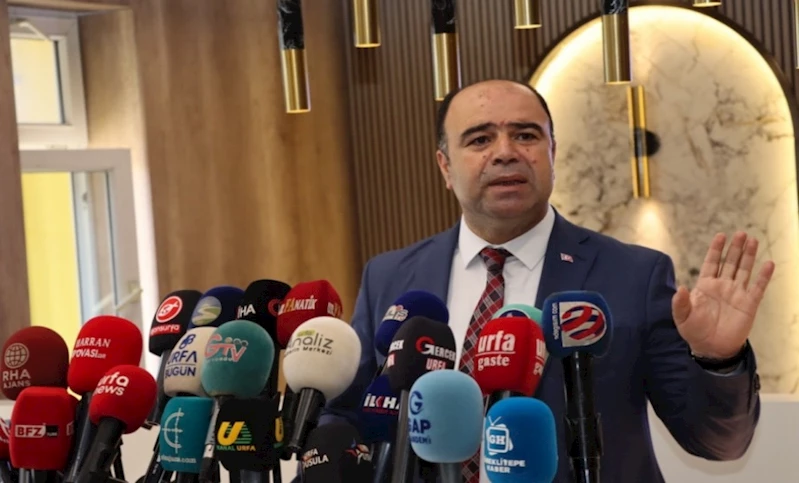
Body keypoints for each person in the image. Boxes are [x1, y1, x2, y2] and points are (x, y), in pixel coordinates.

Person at [311, 79, 774, 482]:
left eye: (526, 135)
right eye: (479, 139)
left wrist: (718, 360)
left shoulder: (633, 275)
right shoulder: (390, 277)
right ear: (445, 167)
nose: (505, 152)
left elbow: (718, 442)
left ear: (553, 152)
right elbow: (348, 417)